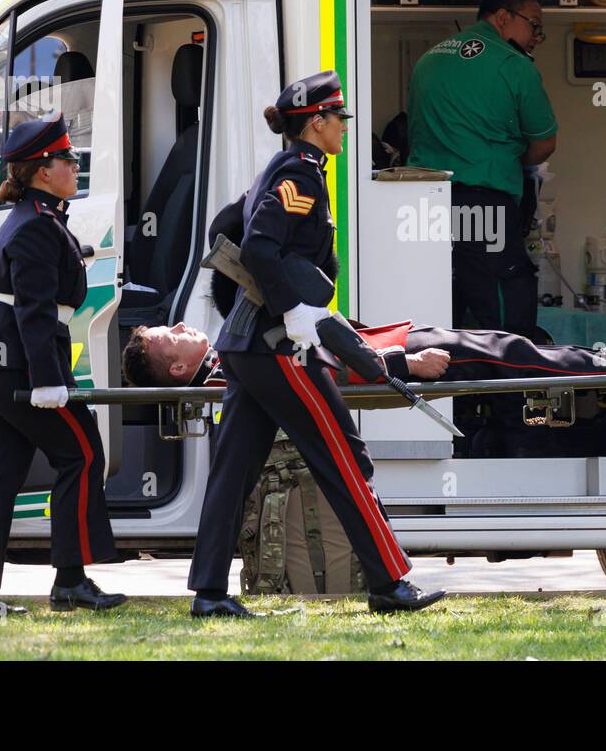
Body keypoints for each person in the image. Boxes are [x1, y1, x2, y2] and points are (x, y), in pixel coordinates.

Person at [187, 70, 445, 617]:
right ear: (317, 122)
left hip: (250, 341)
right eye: (340, 120)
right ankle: (388, 583)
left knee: (234, 470)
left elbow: (226, 226)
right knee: (344, 456)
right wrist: (292, 308)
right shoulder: (299, 175)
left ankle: (209, 593)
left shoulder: (286, 171)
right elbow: (257, 245)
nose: (345, 129)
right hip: (277, 344)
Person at [0, 115, 125, 616]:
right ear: (43, 171)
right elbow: (32, 309)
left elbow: (42, 277)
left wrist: (78, 256)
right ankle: (71, 579)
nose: (75, 166)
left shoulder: (40, 220)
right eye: (67, 160)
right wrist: (48, 382)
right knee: (83, 453)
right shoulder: (37, 227)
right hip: (16, 366)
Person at [406, 0, 558, 335]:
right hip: (484, 203)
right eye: (534, 25)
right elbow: (544, 143)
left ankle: (446, 390)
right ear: (503, 17)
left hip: (422, 206)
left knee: (440, 309)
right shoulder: (514, 65)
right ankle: (505, 391)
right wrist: (518, 165)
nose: (537, 37)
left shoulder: (428, 59)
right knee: (506, 314)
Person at [120, 315, 606, 391]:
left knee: (508, 346)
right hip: (386, 359)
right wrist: (403, 365)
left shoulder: (223, 360)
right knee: (510, 352)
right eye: (173, 334)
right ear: (176, 367)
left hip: (381, 345)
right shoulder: (223, 374)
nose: (182, 325)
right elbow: (321, 376)